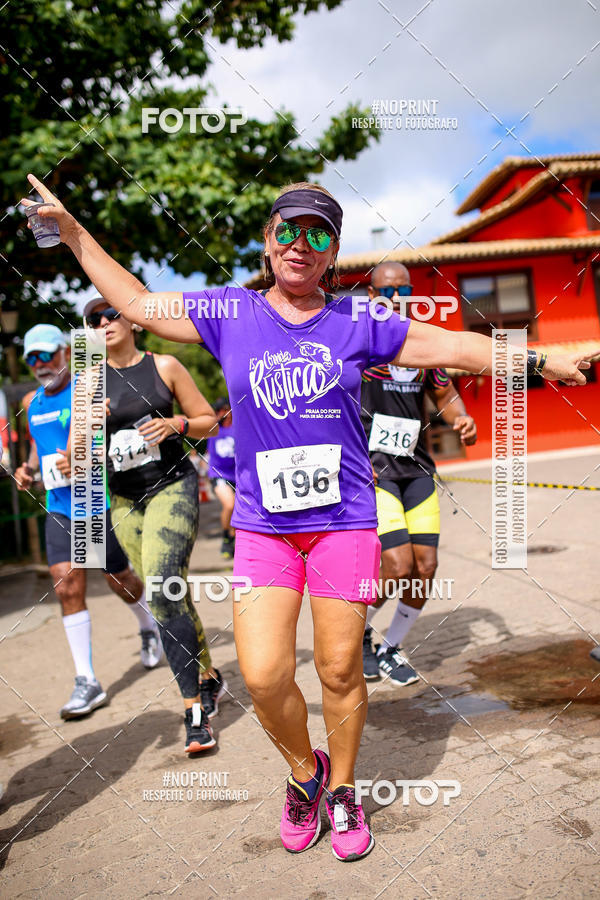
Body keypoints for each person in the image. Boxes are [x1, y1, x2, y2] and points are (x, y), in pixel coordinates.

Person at [21, 174, 595, 863]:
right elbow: (138, 302)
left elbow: (453, 346)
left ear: (333, 253)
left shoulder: (358, 320)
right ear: (268, 241)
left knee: (339, 668)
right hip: (264, 530)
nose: (300, 244)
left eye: (317, 234)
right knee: (264, 676)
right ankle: (305, 772)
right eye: (287, 229)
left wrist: (540, 358)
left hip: (344, 523)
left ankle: (344, 788)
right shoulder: (230, 311)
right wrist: (74, 233)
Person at [79, 296, 228, 753]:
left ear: (133, 321)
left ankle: (194, 712)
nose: (103, 323)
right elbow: (78, 457)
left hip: (172, 487)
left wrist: (176, 423)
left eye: (110, 314)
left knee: (164, 590)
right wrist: (89, 428)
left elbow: (210, 423)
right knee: (168, 596)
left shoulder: (164, 366)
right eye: (92, 320)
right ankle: (207, 675)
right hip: (125, 501)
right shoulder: (88, 381)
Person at [14, 324, 160, 721]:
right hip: (59, 505)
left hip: (94, 500)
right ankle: (87, 680)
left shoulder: (88, 388)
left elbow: (107, 433)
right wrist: (28, 470)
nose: (40, 364)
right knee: (66, 584)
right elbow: (37, 447)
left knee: (119, 579)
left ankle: (148, 624)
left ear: (65, 352)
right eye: (32, 358)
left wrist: (82, 455)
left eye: (47, 354)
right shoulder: (31, 402)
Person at [361, 262, 478, 685]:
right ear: (371, 296)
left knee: (425, 567)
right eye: (387, 291)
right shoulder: (359, 342)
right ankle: (356, 634)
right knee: (397, 565)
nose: (396, 298)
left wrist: (460, 418)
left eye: (404, 290)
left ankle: (390, 647)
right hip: (375, 474)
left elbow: (445, 393)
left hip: (417, 471)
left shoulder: (423, 342)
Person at [206, 397, 236, 558]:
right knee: (229, 505)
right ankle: (226, 537)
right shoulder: (214, 428)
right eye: (218, 411)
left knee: (239, 510)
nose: (220, 413)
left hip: (237, 476)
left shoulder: (238, 427)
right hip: (218, 474)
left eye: (223, 410)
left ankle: (233, 537)